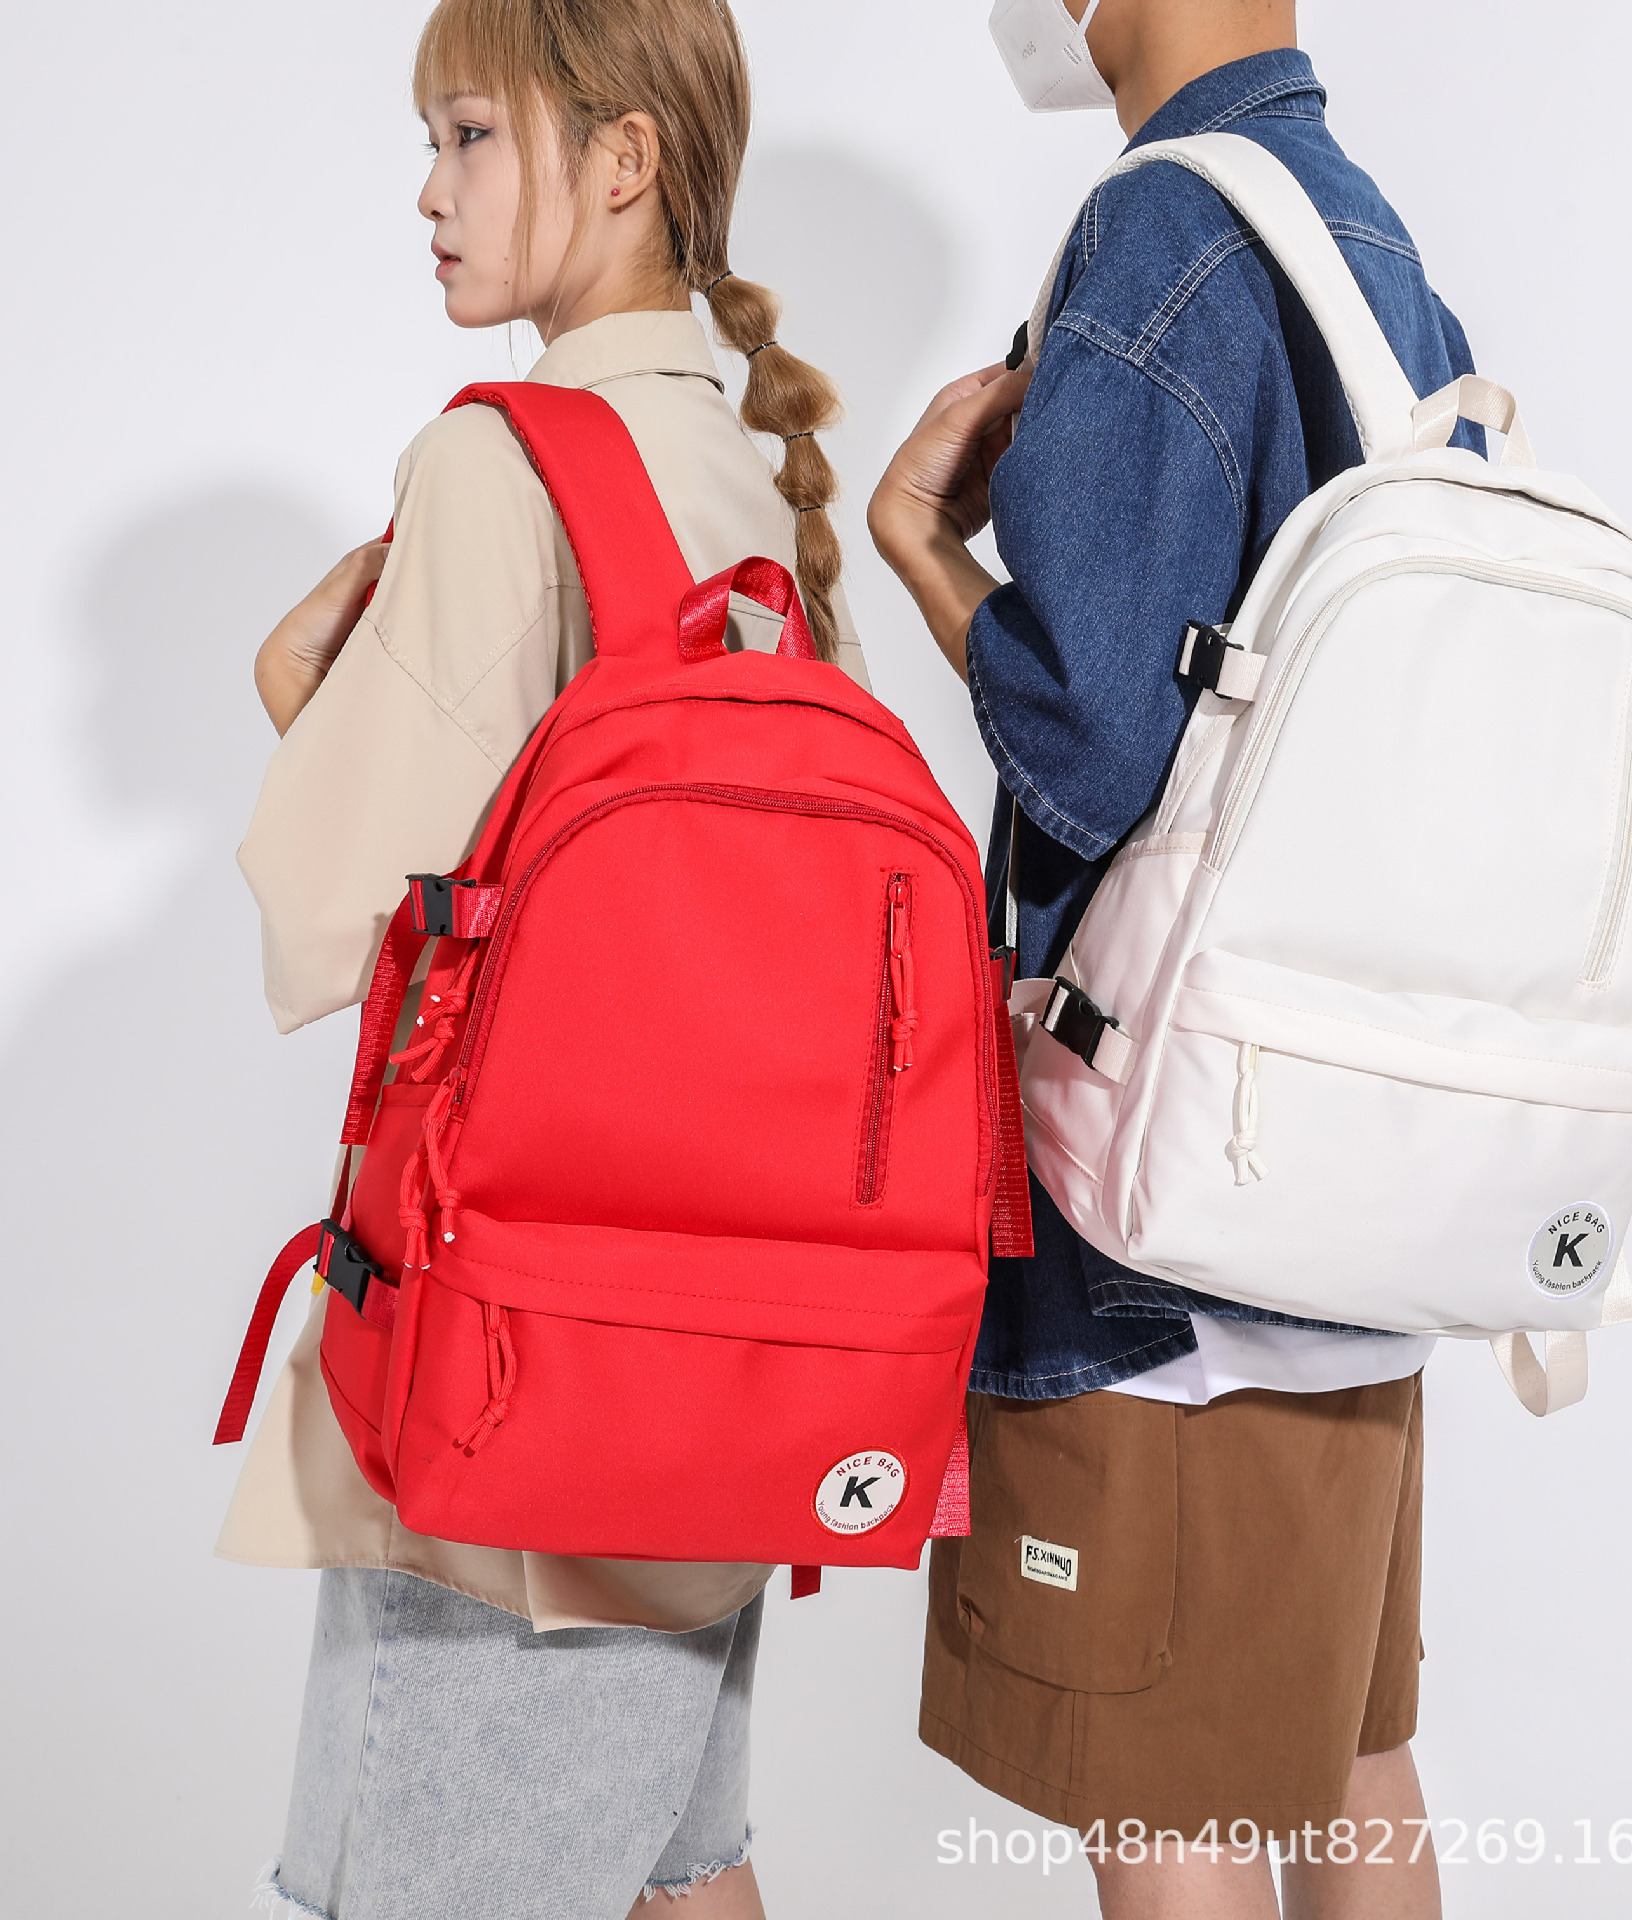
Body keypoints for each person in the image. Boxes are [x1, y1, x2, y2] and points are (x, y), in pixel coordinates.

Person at [220, 4, 865, 1915]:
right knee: (686, 1871)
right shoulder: (758, 483)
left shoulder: (504, 467)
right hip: (738, 1355)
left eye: (470, 135)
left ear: (623, 160)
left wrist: (294, 707)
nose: (429, 193)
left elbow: (339, 907)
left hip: (520, 1377)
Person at [871, 3, 1480, 1915]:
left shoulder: (1162, 224)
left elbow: (1089, 735)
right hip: (1361, 1181)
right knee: (1350, 1761)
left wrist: (926, 550)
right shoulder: (1372, 247)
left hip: (1166, 1209)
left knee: (1171, 1796)